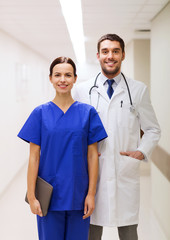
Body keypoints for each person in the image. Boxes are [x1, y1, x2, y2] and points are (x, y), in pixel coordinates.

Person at [72, 34, 161, 240]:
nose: (110, 56)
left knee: (129, 233)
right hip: (92, 174)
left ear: (123, 55)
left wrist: (141, 151)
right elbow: (74, 131)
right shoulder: (83, 90)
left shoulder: (138, 90)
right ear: (98, 56)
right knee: (90, 232)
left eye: (115, 51)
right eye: (105, 51)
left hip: (124, 172)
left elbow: (153, 129)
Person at [17, 56, 107, 240]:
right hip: (48, 196)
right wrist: (32, 196)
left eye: (68, 75)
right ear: (50, 78)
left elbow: (92, 156)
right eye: (57, 75)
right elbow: (34, 157)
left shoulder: (87, 113)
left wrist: (91, 194)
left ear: (75, 78)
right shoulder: (40, 113)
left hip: (78, 195)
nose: (63, 80)